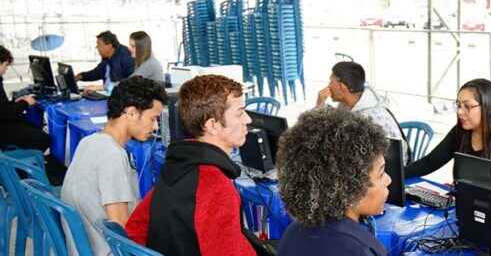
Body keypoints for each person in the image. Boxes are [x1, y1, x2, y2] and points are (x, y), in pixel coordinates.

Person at [126, 75, 255, 256]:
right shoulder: (215, 186)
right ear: (213, 125)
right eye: (240, 112)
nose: (248, 120)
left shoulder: (176, 166)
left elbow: (134, 231)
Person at [60, 76, 168, 256]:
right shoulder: (112, 155)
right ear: (132, 113)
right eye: (153, 119)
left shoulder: (89, 141)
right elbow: (121, 230)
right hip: (107, 250)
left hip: (86, 245)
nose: (156, 126)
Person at [277, 108, 390, 256]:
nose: (388, 180)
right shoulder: (357, 250)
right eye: (381, 174)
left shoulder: (293, 232)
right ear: (349, 186)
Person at [404, 78, 491, 178]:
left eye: (467, 106)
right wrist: (394, 176)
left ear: (487, 107)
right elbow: (429, 162)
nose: (459, 112)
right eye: (458, 105)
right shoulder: (460, 131)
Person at [0, 45, 66, 184]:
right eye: (5, 64)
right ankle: (24, 171)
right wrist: (24, 103)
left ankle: (28, 163)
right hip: (3, 129)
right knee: (44, 138)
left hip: (4, 123)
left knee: (33, 126)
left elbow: (3, 109)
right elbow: (5, 113)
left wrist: (16, 102)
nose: (6, 69)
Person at [314, 61, 406, 158]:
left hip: (388, 168)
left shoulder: (369, 117)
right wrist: (319, 105)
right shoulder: (349, 104)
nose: (328, 86)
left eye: (331, 81)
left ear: (342, 87)